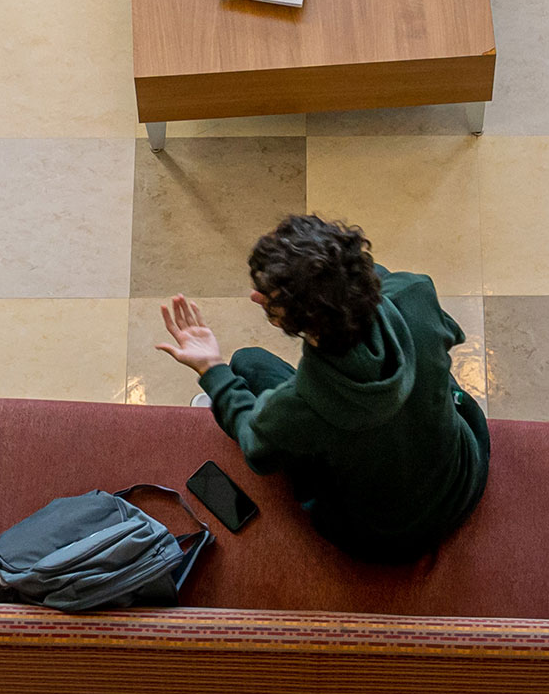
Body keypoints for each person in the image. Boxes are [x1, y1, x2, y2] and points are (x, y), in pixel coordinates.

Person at [154, 214, 490, 564]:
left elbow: (256, 449)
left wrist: (211, 369)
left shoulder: (299, 405)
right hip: (463, 478)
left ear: (293, 320)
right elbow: (449, 333)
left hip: (385, 535)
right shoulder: (416, 291)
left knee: (247, 362)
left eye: (267, 296)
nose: (256, 295)